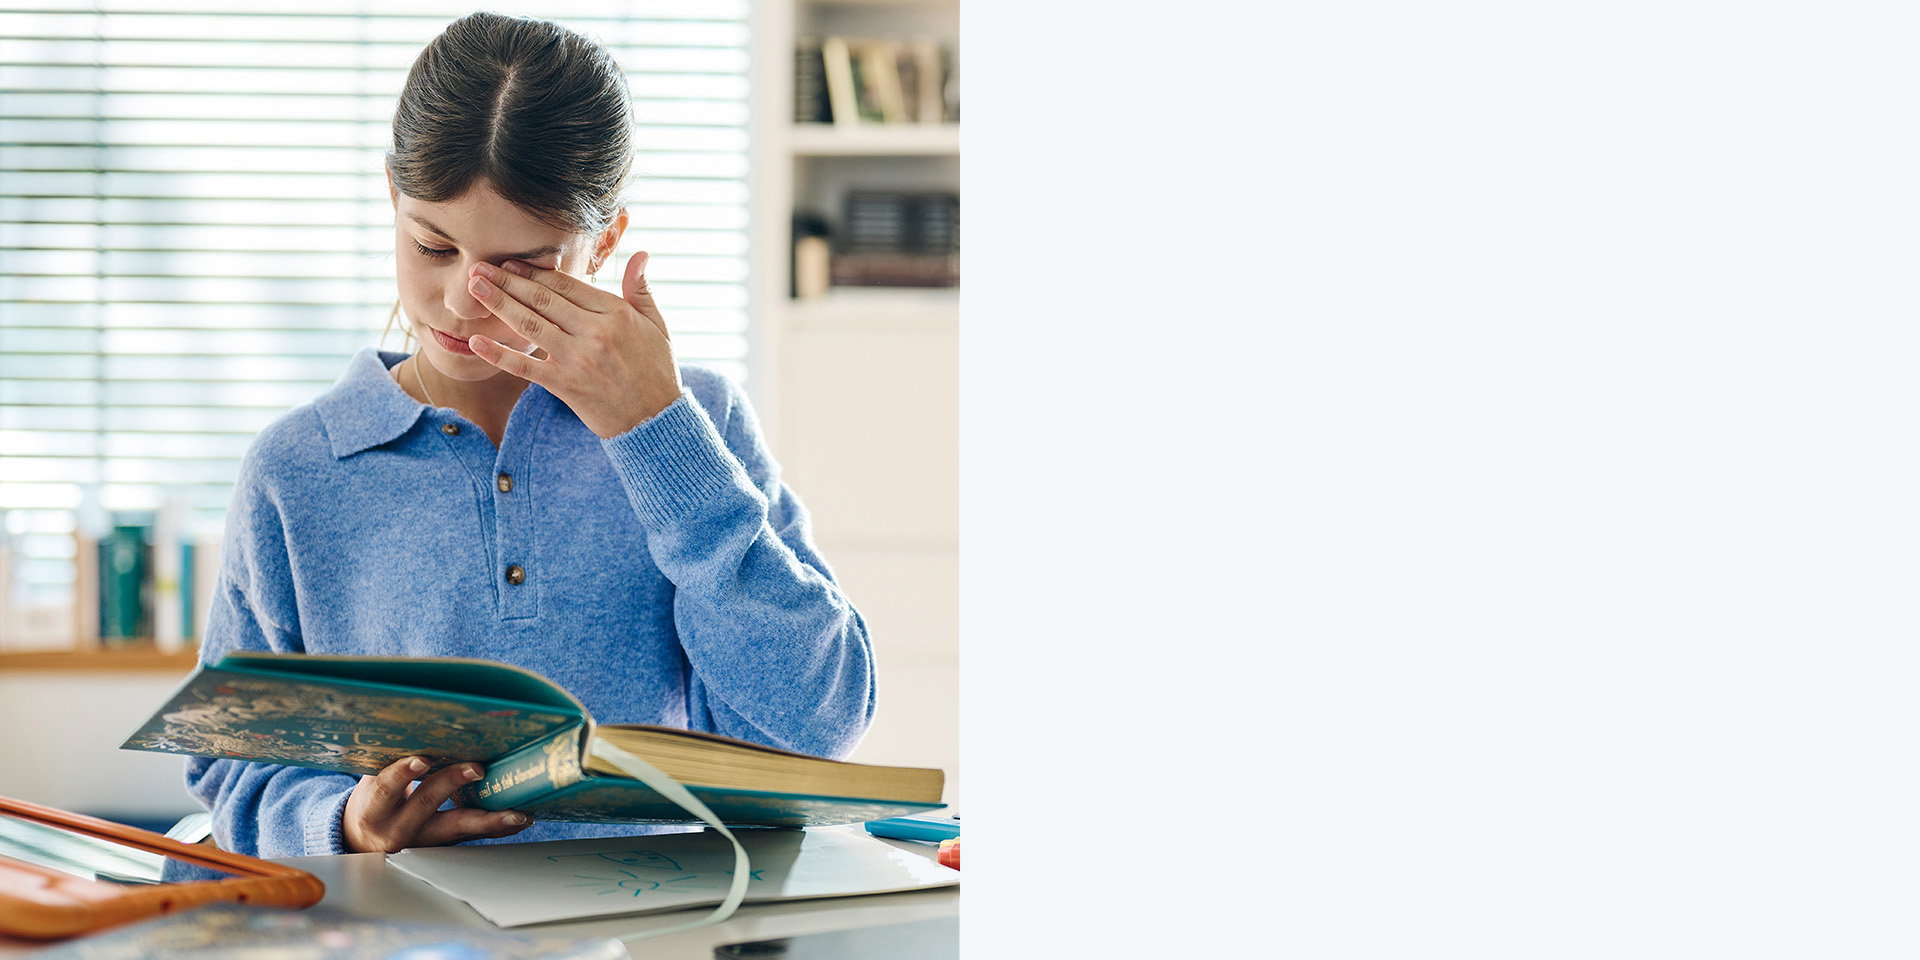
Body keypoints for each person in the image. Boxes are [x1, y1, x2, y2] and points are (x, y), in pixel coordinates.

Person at [185, 11, 875, 857]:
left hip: (651, 928)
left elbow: (815, 727)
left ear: (607, 241)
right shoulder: (297, 472)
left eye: (521, 268)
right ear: (392, 197)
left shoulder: (695, 425)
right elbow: (230, 767)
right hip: (397, 936)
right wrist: (345, 825)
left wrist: (652, 432)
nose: (465, 300)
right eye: (433, 246)